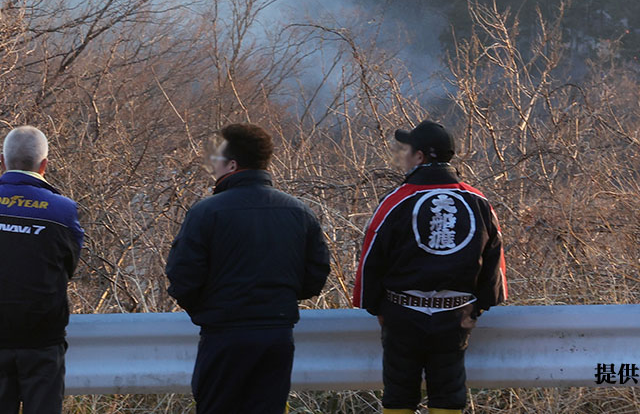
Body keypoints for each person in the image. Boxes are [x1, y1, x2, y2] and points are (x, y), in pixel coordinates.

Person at [166, 123, 331, 414]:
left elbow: (183, 276)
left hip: (224, 334)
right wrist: (280, 299)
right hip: (278, 333)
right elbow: (316, 275)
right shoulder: (299, 211)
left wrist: (207, 310)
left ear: (231, 164)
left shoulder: (206, 212)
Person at [353, 120, 506, 414]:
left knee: (399, 394)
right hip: (456, 313)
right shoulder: (477, 201)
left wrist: (374, 306)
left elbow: (371, 258)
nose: (402, 156)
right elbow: (494, 261)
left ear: (420, 157)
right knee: (449, 393)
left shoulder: (396, 201)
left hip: (402, 313)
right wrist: (480, 305)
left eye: (406, 150)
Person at [0, 126, 84, 414]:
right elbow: (70, 265)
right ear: (44, 165)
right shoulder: (62, 210)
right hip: (41, 338)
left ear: (2, 162)